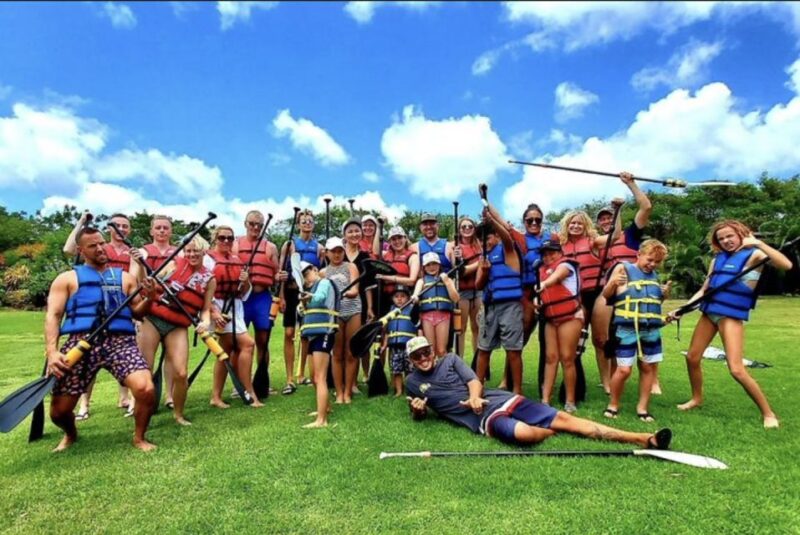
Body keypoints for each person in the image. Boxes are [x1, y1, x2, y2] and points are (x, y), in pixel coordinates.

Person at [404, 337, 672, 450]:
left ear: (433, 351)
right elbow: (420, 413)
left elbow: (474, 380)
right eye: (417, 356)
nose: (424, 357)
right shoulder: (412, 382)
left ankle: (643, 438)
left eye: (426, 352)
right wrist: (418, 412)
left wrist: (474, 396)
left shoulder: (450, 359)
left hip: (497, 399)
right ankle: (551, 429)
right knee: (526, 434)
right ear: (411, 360)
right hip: (483, 419)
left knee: (566, 419)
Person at [668, 220, 792, 428]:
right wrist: (682, 309)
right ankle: (696, 398)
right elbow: (704, 290)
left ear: (740, 234)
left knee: (736, 369)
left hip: (730, 316)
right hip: (709, 313)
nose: (726, 241)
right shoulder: (717, 260)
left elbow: (786, 265)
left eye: (730, 236)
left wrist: (758, 243)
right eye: (721, 238)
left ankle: (768, 413)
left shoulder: (755, 255)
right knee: (692, 357)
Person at [45, 226, 156, 452]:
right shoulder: (66, 279)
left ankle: (139, 437)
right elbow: (53, 315)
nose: (100, 248)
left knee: (145, 389)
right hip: (81, 341)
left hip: (120, 342)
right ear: (81, 250)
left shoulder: (126, 278)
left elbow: (138, 313)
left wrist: (151, 297)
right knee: (59, 412)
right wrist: (52, 351)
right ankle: (71, 433)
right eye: (93, 245)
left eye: (102, 243)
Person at [62, 212, 134, 419]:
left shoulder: (132, 252)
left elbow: (135, 279)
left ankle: (125, 398)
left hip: (120, 307)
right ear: (109, 229)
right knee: (87, 361)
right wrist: (81, 223)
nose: (121, 229)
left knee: (124, 358)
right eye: (117, 225)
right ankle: (84, 405)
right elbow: (69, 249)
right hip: (94, 310)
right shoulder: (100, 246)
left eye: (125, 226)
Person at [137, 236, 215, 425]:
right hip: (154, 319)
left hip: (178, 325)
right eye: (188, 250)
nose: (192, 254)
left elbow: (205, 308)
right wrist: (141, 267)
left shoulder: (209, 279)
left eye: (196, 251)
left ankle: (178, 414)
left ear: (204, 252)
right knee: (144, 368)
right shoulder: (172, 265)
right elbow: (149, 287)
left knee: (180, 373)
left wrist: (205, 322)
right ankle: (141, 412)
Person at [592, 172, 654, 395]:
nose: (607, 221)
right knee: (601, 338)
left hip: (632, 290)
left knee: (641, 333)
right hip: (607, 291)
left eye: (610, 217)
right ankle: (606, 381)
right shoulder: (598, 243)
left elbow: (646, 207)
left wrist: (631, 184)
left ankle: (650, 378)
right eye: (603, 219)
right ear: (599, 224)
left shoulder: (631, 234)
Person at [558, 205, 621, 403]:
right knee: (576, 341)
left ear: (585, 226)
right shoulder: (560, 245)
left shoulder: (593, 242)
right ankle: (574, 382)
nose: (575, 226)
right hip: (576, 296)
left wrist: (618, 211)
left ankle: (607, 381)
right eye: (572, 223)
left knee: (601, 339)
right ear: (567, 226)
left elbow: (616, 235)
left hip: (598, 293)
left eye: (579, 223)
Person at [602, 240, 668, 422]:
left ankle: (642, 408)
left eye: (657, 262)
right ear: (638, 255)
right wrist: (612, 283)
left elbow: (654, 304)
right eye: (650, 260)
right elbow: (606, 295)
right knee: (624, 369)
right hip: (627, 329)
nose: (652, 265)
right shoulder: (623, 269)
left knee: (648, 367)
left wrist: (664, 295)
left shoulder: (654, 276)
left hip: (650, 330)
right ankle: (613, 404)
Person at [207, 226, 263, 408]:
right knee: (248, 344)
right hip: (217, 308)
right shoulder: (208, 260)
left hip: (235, 308)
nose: (226, 242)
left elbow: (245, 291)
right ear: (215, 239)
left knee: (225, 351)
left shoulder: (237, 260)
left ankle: (216, 396)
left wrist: (245, 280)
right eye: (222, 238)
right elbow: (201, 290)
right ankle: (249, 392)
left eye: (230, 238)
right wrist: (214, 313)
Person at [129, 215, 179, 415]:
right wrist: (141, 265)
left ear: (170, 231)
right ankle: (139, 400)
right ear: (151, 231)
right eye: (157, 228)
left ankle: (169, 396)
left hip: (172, 309)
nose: (161, 231)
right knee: (145, 359)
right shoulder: (141, 252)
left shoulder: (179, 253)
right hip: (149, 309)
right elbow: (134, 280)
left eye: (165, 228)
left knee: (171, 356)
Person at [474, 212, 524, 396]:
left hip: (510, 306)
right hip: (490, 308)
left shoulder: (507, 249)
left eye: (486, 238)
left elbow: (507, 236)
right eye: (479, 239)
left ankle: (517, 390)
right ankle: (478, 387)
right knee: (484, 349)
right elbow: (478, 285)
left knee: (513, 350)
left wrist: (492, 221)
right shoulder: (482, 258)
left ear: (495, 236)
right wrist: (485, 272)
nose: (483, 242)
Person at [234, 210, 280, 396]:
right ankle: (240, 384)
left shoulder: (270, 247)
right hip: (242, 299)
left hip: (262, 298)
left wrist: (281, 276)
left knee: (263, 341)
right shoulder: (236, 244)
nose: (255, 227)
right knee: (239, 343)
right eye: (252, 223)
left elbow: (276, 274)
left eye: (259, 225)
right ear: (245, 223)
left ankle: (262, 380)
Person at [279, 209, 324, 394]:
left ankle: (301, 374)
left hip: (309, 293)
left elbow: (321, 271)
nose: (307, 223)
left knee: (306, 335)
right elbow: (282, 271)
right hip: (291, 292)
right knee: (289, 333)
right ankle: (289, 377)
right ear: (298, 224)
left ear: (313, 224)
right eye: (303, 221)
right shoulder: (289, 244)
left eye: (310, 221)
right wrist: (280, 296)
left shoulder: (319, 247)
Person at [535, 237, 583, 412]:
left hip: (570, 317)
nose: (548, 257)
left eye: (552, 253)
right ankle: (545, 399)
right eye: (545, 254)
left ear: (560, 252)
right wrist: (536, 302)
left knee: (567, 358)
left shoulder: (566, 265)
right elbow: (540, 294)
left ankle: (570, 400)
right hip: (551, 319)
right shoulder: (541, 270)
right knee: (550, 358)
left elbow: (557, 277)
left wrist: (544, 283)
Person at [320, 237, 361, 404]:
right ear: (327, 253)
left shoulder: (350, 266)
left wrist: (340, 293)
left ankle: (348, 392)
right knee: (337, 353)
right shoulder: (322, 273)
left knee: (351, 352)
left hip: (353, 310)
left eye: (339, 251)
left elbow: (354, 290)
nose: (337, 254)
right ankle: (338, 392)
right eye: (333, 251)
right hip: (334, 314)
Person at [298, 261, 338, 428]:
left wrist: (308, 298)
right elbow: (300, 310)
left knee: (320, 377)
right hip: (313, 335)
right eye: (302, 277)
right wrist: (303, 303)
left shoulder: (324, 283)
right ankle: (325, 408)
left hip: (324, 333)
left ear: (315, 270)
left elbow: (321, 298)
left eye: (307, 274)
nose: (306, 279)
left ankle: (321, 420)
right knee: (315, 376)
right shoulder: (309, 289)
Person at [343, 217, 375, 384]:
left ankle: (360, 377)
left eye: (357, 231)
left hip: (360, 302)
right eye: (350, 231)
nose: (354, 234)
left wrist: (369, 307)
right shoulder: (337, 253)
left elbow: (369, 285)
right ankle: (344, 378)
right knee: (342, 341)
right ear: (344, 234)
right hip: (340, 302)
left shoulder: (364, 256)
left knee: (359, 339)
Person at [413, 252, 459, 357]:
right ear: (424, 267)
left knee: (442, 350)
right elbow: (416, 295)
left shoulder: (448, 280)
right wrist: (415, 297)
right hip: (427, 317)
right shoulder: (422, 281)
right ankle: (432, 372)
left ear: (439, 265)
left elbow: (456, 299)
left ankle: (444, 372)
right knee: (431, 349)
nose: (432, 267)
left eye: (434, 264)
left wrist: (447, 282)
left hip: (443, 316)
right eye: (428, 265)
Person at [381, 285, 419, 396]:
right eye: (396, 296)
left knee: (410, 369)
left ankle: (410, 390)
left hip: (409, 346)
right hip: (394, 347)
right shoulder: (390, 311)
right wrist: (384, 344)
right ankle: (398, 391)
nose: (399, 298)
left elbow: (418, 327)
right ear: (392, 299)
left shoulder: (412, 310)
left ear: (408, 298)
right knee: (396, 370)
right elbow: (387, 331)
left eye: (403, 296)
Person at [453, 216, 482, 357]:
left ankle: (478, 363)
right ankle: (459, 362)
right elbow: (459, 271)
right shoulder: (455, 247)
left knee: (477, 327)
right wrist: (478, 264)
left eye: (470, 226)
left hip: (478, 290)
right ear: (459, 229)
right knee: (461, 328)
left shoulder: (479, 246)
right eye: (463, 227)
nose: (467, 229)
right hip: (462, 291)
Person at [376, 226, 420, 318]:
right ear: (390, 242)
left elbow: (412, 281)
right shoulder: (385, 255)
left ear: (405, 238)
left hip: (404, 298)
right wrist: (379, 227)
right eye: (393, 239)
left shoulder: (412, 257)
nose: (397, 241)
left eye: (399, 238)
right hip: (386, 299)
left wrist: (387, 278)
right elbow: (375, 250)